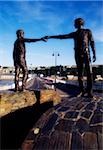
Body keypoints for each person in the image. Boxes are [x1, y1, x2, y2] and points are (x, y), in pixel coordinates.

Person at [45, 18, 96, 98]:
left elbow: (92, 42)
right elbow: (62, 37)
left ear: (78, 23)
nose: (73, 25)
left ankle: (89, 92)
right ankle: (82, 91)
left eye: (74, 23)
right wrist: (51, 36)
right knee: (80, 73)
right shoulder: (75, 33)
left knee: (89, 73)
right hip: (78, 54)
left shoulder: (87, 31)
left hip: (86, 53)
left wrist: (94, 53)